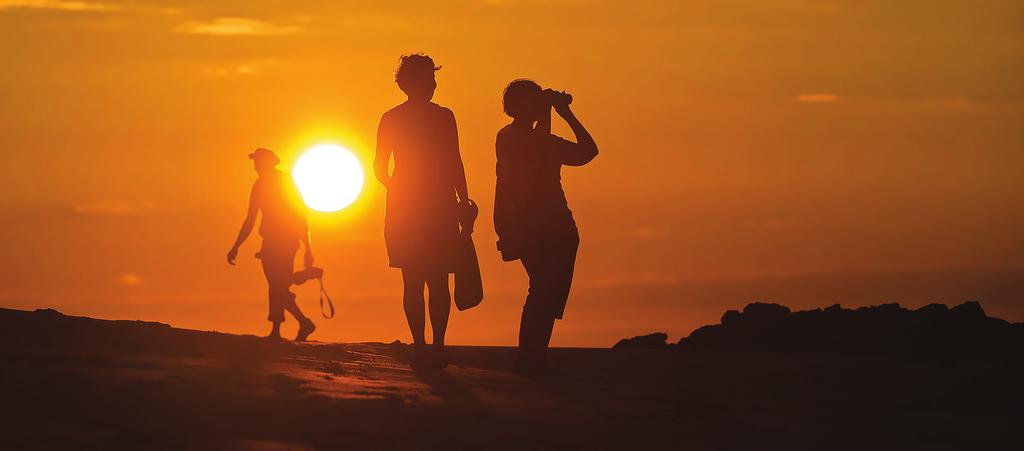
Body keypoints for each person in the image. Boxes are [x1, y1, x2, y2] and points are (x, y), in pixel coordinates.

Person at [494, 79, 598, 375]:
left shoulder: (523, 139)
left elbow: (587, 152)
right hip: (536, 226)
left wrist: (559, 112)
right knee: (542, 289)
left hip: (554, 225)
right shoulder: (515, 138)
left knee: (546, 291)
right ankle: (530, 357)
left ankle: (534, 356)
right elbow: (576, 149)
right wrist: (559, 110)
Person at [374, 54, 473, 366]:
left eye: (433, 78)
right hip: (433, 205)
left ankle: (426, 346)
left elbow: (379, 169)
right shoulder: (440, 117)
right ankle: (432, 346)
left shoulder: (395, 118)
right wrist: (462, 201)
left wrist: (397, 188)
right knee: (430, 280)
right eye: (429, 79)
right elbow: (453, 161)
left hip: (418, 206)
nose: (432, 84)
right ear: (411, 83)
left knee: (418, 280)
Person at [227, 148, 317, 342]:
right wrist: (236, 246)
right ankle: (298, 323)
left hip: (286, 242)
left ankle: (284, 327)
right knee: (278, 286)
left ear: (267, 163)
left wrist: (308, 250)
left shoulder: (284, 182)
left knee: (278, 285)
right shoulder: (259, 186)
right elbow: (250, 219)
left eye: (258, 162)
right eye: (255, 162)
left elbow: (300, 216)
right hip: (270, 243)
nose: (255, 166)